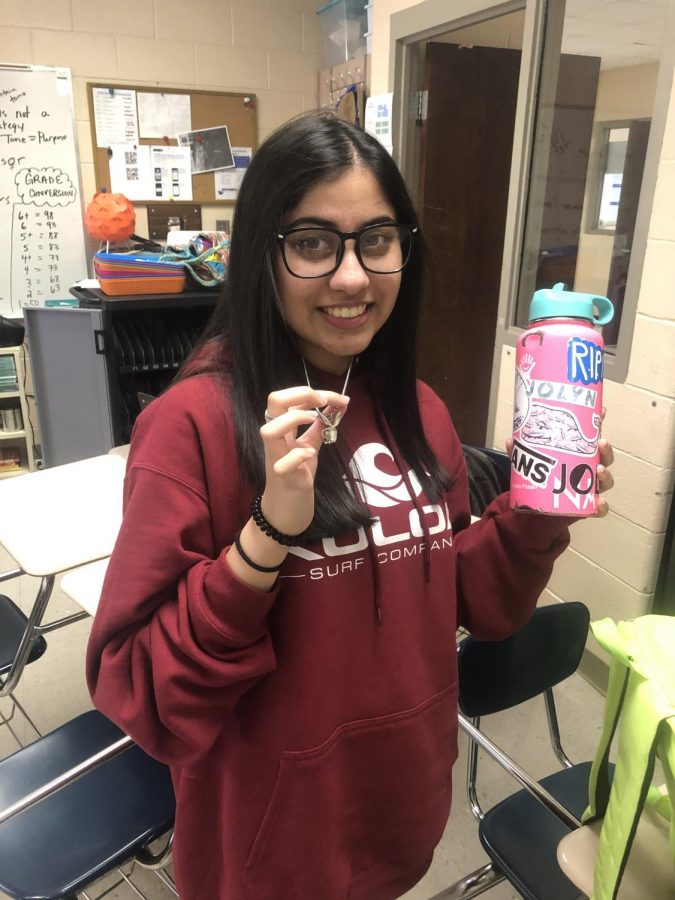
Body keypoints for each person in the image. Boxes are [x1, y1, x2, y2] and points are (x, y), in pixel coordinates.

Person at [86, 112, 614, 900]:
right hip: (265, 851)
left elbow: (465, 600)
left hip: (398, 816)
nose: (352, 277)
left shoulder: (418, 410)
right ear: (260, 256)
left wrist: (536, 512)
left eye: (375, 239)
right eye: (311, 243)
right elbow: (143, 694)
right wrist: (266, 538)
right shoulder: (190, 426)